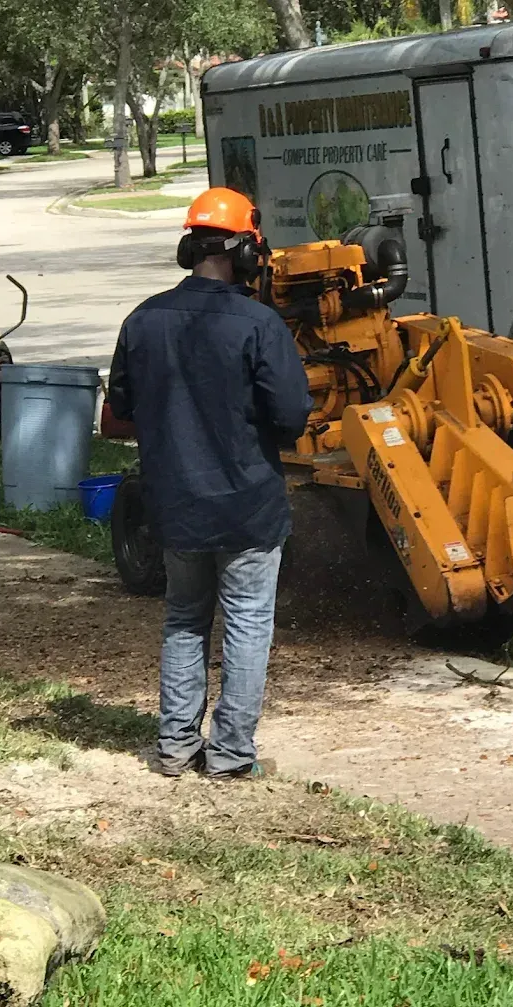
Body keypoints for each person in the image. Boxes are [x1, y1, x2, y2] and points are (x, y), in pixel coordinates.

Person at [108, 187, 312, 780]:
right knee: (247, 624)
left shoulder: (142, 319)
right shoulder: (259, 323)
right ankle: (229, 756)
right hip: (248, 505)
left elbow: (120, 406)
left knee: (184, 618)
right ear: (245, 252)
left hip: (176, 503)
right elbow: (293, 416)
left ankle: (174, 747)